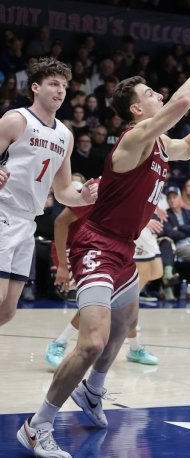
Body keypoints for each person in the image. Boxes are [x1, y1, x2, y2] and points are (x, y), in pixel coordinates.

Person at [17, 31, 190, 457]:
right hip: (98, 245)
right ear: (138, 109)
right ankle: (37, 425)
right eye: (151, 93)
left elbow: (188, 145)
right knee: (92, 342)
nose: (160, 95)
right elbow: (177, 107)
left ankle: (92, 391)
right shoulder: (133, 139)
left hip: (125, 248)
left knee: (124, 325)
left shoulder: (158, 143)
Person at [0, 57, 98, 328]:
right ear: (35, 87)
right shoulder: (15, 120)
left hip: (27, 222)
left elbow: (64, 190)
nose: (60, 90)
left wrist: (83, 198)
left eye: (64, 86)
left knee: (7, 311)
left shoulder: (65, 135)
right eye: (53, 84)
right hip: (3, 211)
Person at [45, 190, 162, 367]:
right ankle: (59, 342)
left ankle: (135, 348)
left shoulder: (132, 187)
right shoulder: (97, 188)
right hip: (78, 250)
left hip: (108, 249)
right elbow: (61, 222)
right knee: (103, 302)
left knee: (129, 298)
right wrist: (62, 264)